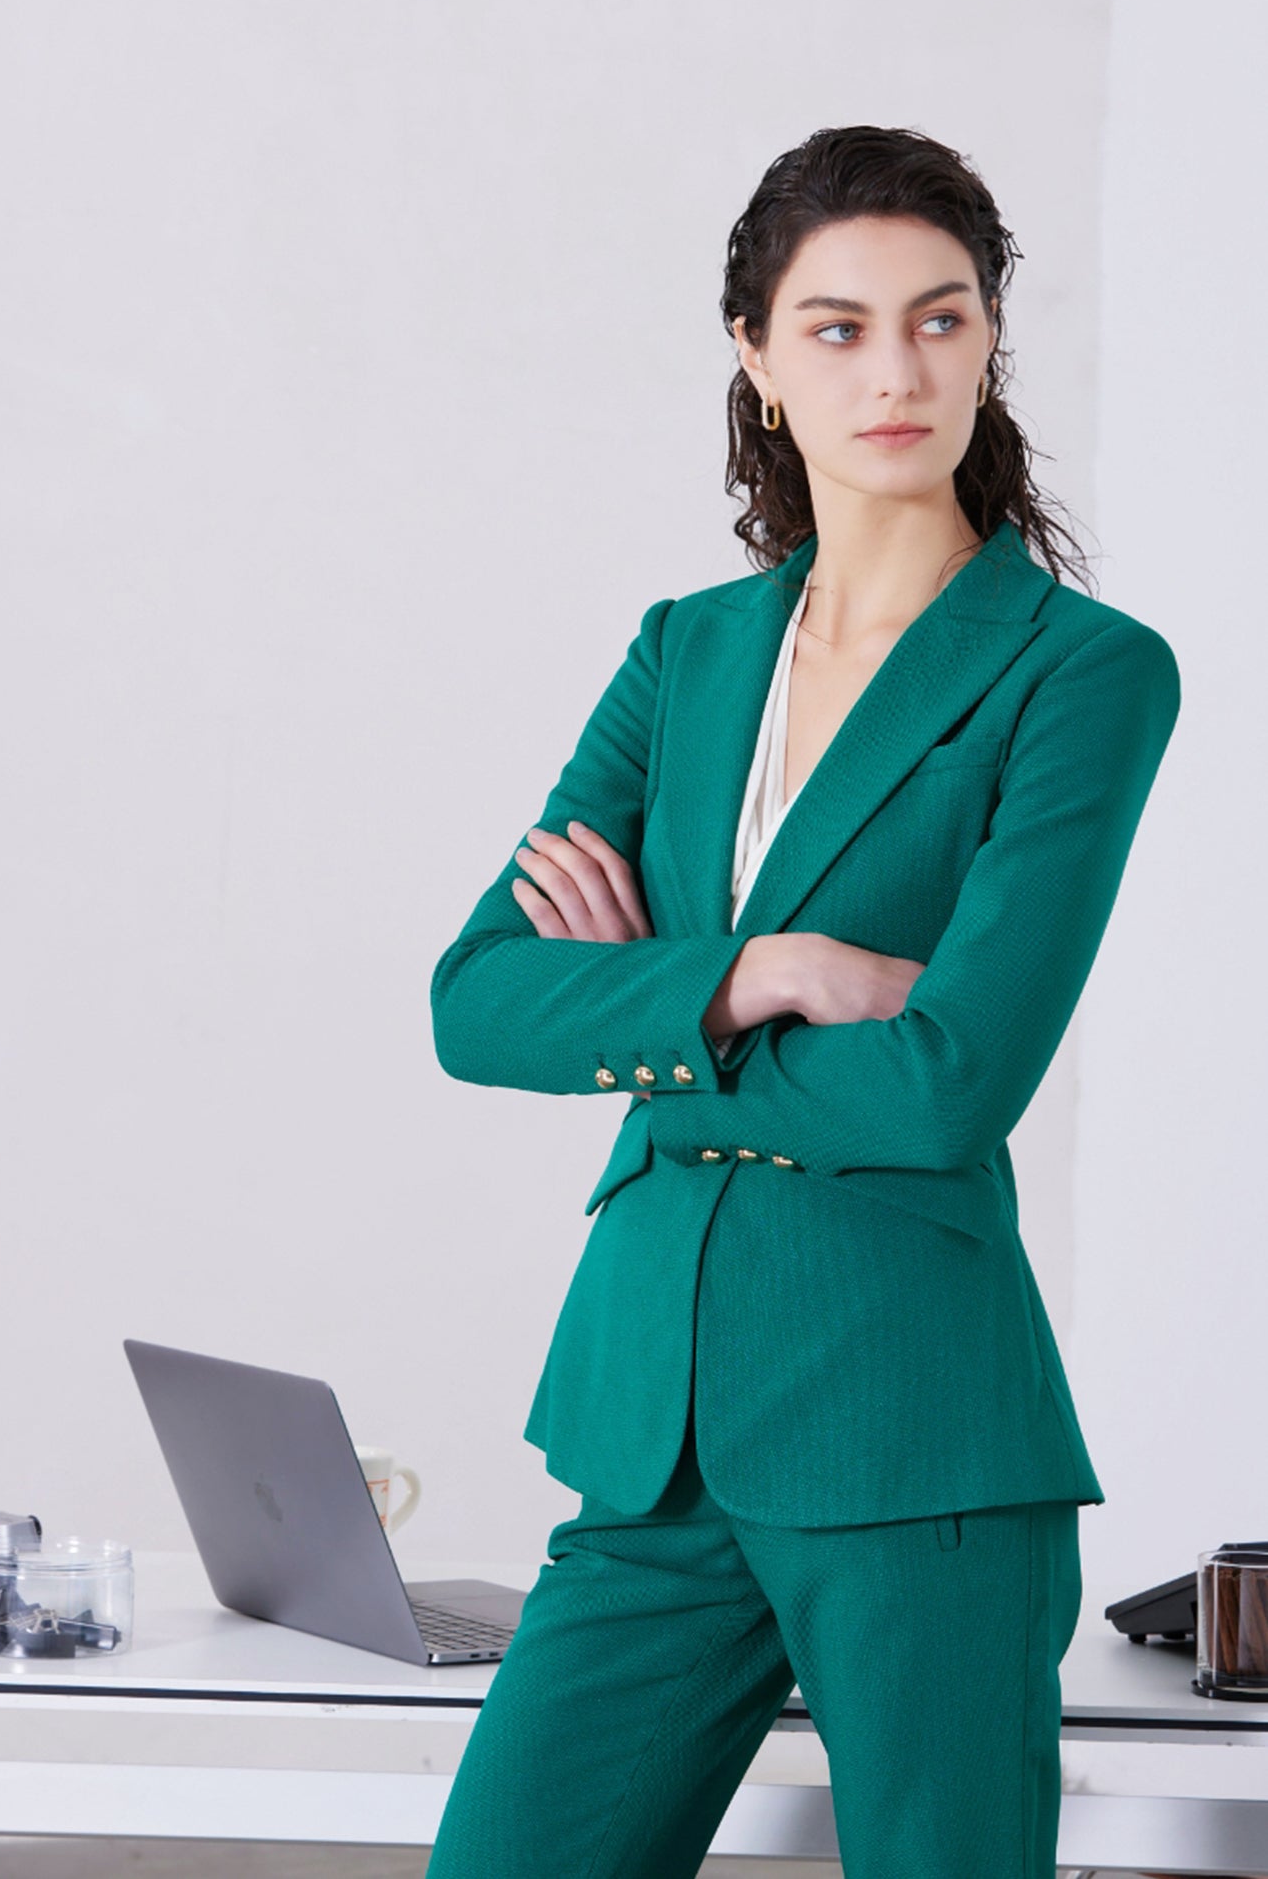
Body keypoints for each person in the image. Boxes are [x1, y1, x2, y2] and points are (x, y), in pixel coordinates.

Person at [425, 124, 1181, 1879]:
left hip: (914, 1438)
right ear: (758, 364)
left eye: (939, 318)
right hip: (654, 1434)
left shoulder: (1081, 675)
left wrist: (650, 1021)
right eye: (836, 328)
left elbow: (947, 1086)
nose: (896, 369)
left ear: (990, 340)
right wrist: (763, 973)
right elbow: (477, 998)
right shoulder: (686, 653)